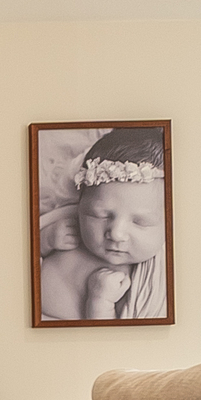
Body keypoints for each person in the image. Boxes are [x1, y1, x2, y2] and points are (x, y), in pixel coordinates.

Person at [38, 125, 168, 321]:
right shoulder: (67, 225)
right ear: (81, 203)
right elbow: (17, 261)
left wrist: (100, 302)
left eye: (140, 222)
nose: (116, 233)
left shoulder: (142, 284)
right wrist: (45, 240)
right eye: (100, 215)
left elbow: (112, 340)